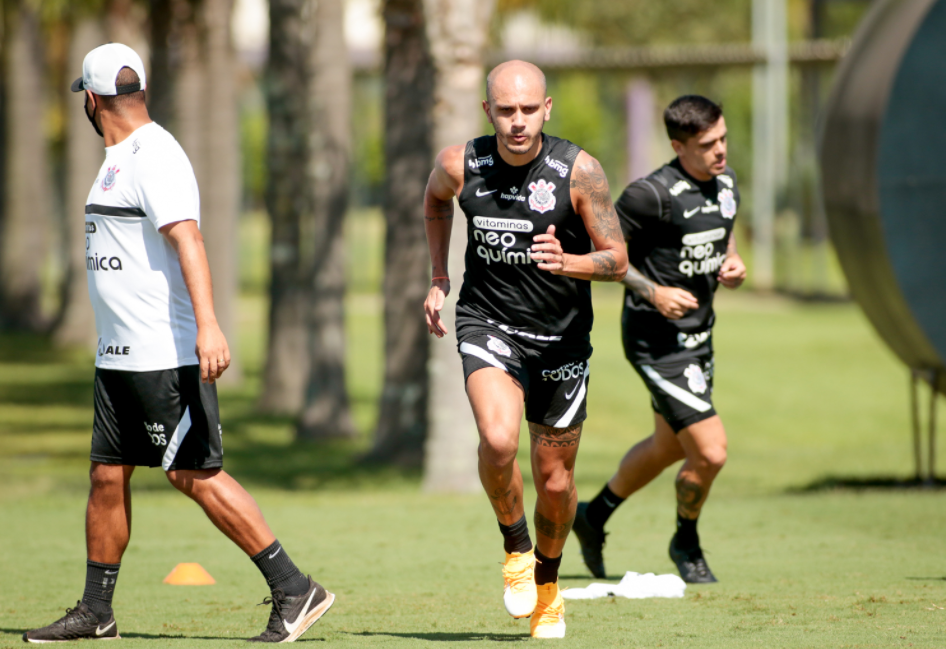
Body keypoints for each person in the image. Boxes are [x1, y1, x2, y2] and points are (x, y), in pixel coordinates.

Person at [22, 44, 334, 644]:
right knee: (107, 477)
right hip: (117, 357)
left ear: (90, 101)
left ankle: (295, 588)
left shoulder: (154, 154)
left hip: (164, 357)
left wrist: (209, 326)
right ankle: (97, 611)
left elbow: (188, 239)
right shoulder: (119, 157)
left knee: (194, 475)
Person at [423, 60, 628, 639]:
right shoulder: (459, 164)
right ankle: (516, 547)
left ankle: (547, 587)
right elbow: (435, 201)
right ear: (489, 111)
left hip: (561, 341)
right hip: (489, 324)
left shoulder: (578, 172)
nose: (517, 122)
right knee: (496, 438)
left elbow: (617, 258)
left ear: (547, 108)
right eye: (506, 110)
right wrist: (439, 276)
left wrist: (573, 262)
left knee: (556, 482)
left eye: (528, 109)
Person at [571, 95, 746, 584]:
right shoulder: (650, 195)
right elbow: (605, 257)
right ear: (678, 145)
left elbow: (723, 232)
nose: (720, 152)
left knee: (669, 446)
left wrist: (730, 262)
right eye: (708, 144)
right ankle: (684, 541)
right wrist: (654, 292)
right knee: (709, 451)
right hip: (655, 341)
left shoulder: (727, 182)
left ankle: (594, 516)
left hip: (700, 337)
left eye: (724, 139)